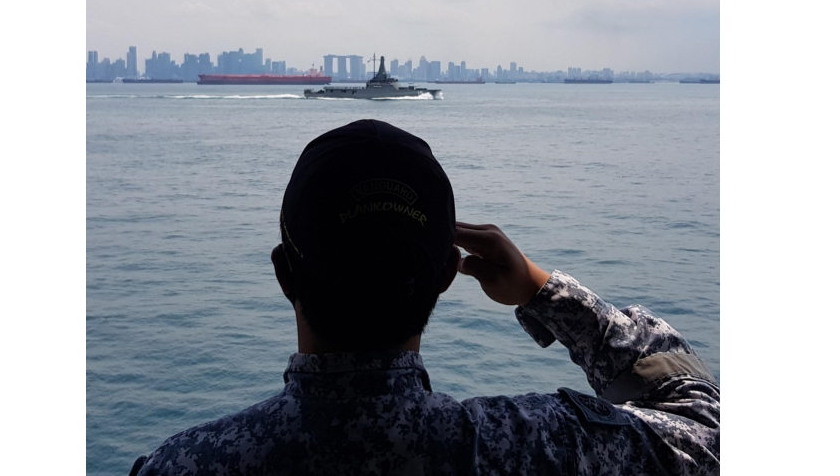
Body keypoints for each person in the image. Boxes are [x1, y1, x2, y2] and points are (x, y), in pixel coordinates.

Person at [130, 119, 719, 475]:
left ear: (285, 275)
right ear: (445, 273)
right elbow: (705, 431)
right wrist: (541, 290)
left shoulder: (187, 465)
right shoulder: (541, 449)